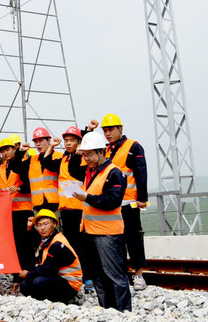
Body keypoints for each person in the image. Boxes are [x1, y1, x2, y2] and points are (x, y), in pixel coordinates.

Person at [72, 131, 130, 312]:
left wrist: (87, 197)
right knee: (98, 275)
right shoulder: (90, 172)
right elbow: (73, 166)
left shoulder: (114, 173)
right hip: (91, 231)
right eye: (84, 154)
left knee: (115, 275)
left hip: (108, 233)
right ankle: (107, 310)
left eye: (89, 154)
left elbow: (112, 201)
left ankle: (123, 313)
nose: (86, 158)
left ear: (101, 152)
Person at [96, 113, 149, 291]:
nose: (108, 133)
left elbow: (141, 173)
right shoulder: (106, 149)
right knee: (115, 241)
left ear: (120, 129)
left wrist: (142, 198)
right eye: (105, 131)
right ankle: (121, 275)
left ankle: (139, 275)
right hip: (112, 204)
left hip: (129, 202)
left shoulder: (133, 147)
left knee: (133, 237)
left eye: (111, 130)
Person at [40, 126, 90, 289]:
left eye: (72, 140)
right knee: (72, 244)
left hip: (80, 209)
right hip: (66, 209)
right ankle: (78, 275)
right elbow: (46, 162)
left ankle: (88, 277)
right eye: (66, 141)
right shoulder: (63, 159)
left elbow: (78, 171)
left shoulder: (82, 158)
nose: (68, 143)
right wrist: (52, 146)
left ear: (79, 142)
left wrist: (86, 133)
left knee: (83, 244)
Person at [0, 138, 35, 273]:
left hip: (23, 210)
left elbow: (30, 183)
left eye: (8, 150)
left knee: (26, 244)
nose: (5, 153)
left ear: (14, 149)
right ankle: (16, 273)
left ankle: (27, 272)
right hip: (7, 212)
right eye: (2, 151)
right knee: (13, 244)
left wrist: (18, 188)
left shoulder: (24, 163)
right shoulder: (1, 167)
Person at [19, 209, 83, 303]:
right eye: (39, 225)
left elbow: (46, 270)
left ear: (54, 224)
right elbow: (29, 246)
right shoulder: (47, 238)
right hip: (56, 278)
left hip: (70, 284)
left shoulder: (57, 244)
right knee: (25, 285)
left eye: (46, 224)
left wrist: (28, 274)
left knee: (38, 282)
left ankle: (56, 302)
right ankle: (41, 302)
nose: (42, 228)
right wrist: (29, 228)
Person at [26, 127, 62, 213]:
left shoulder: (60, 157)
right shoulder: (32, 160)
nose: (38, 144)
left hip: (56, 205)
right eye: (36, 141)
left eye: (41, 140)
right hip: (38, 206)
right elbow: (16, 169)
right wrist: (20, 151)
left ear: (49, 140)